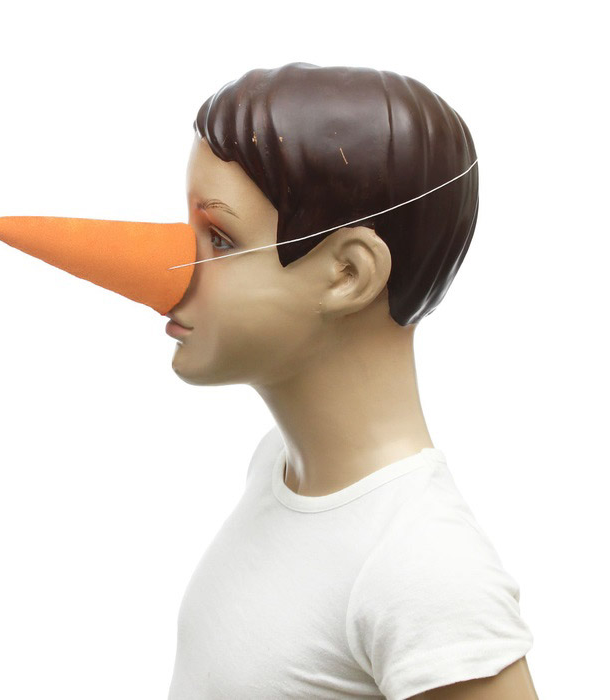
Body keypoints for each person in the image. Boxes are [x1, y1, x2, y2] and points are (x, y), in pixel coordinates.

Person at [165, 63, 538, 699]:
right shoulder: (276, 468)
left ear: (348, 275)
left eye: (220, 238)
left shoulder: (425, 567)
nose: (171, 266)